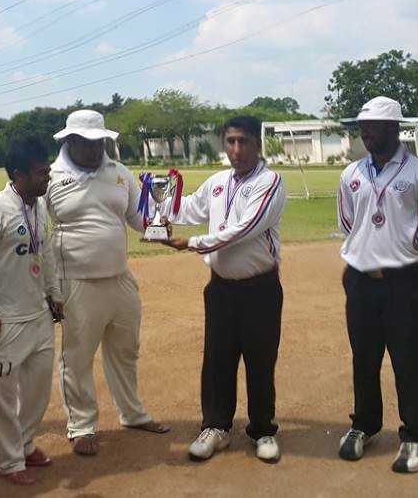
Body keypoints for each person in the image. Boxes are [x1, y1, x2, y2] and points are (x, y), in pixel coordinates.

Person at [155, 115, 286, 463]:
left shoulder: (270, 182)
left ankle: (262, 430)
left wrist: (192, 243)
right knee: (217, 359)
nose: (236, 149)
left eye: (243, 141)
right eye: (230, 141)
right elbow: (187, 208)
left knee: (260, 359)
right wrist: (157, 208)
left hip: (260, 288)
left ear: (258, 144)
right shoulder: (217, 181)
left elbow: (245, 229)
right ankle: (216, 427)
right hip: (221, 288)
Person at [335, 96, 418, 473]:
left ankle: (416, 435)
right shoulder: (351, 173)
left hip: (403, 281)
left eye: (374, 126)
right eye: (362, 127)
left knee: (409, 359)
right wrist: (370, 249)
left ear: (394, 128)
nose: (365, 132)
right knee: (363, 358)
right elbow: (348, 221)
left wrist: (399, 247)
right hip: (359, 281)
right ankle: (365, 425)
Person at [46, 109, 168, 457]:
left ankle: (133, 414)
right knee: (77, 357)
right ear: (69, 141)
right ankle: (81, 426)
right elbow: (39, 230)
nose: (96, 148)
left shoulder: (119, 173)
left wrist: (159, 227)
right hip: (76, 283)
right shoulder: (51, 177)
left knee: (126, 351)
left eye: (101, 141)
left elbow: (136, 216)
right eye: (88, 143)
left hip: (120, 278)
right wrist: (50, 288)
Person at [0, 138, 63, 486]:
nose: (47, 178)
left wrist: (54, 293)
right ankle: (9, 461)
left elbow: (45, 253)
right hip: (6, 320)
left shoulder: (38, 207)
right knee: (4, 396)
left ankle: (24, 444)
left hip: (38, 314)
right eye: (42, 173)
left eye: (48, 171)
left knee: (39, 390)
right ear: (19, 174)